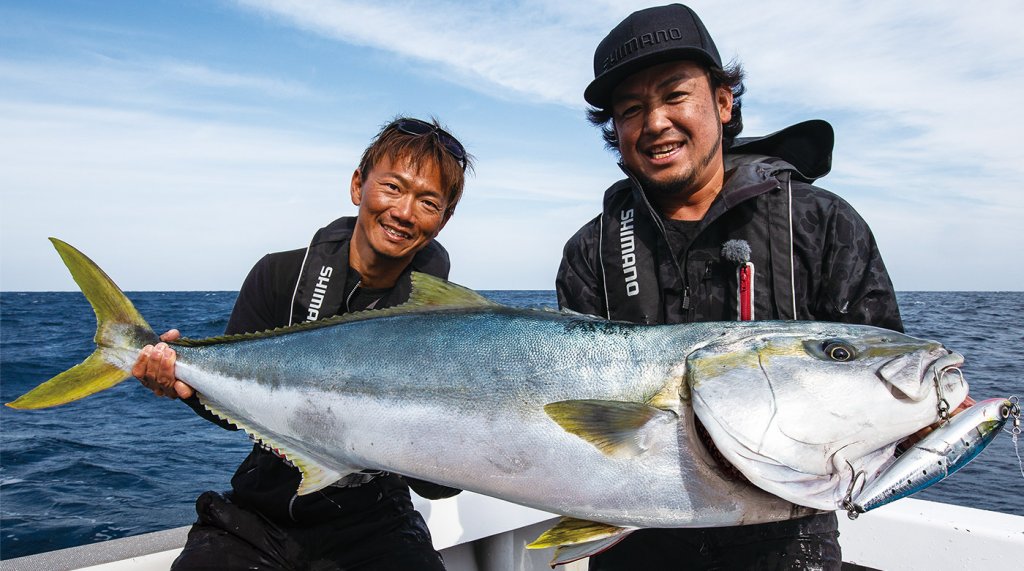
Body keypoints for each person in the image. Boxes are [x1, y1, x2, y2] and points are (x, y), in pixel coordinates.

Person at [557, 4, 903, 570]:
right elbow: (585, 419)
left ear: (723, 101)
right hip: (639, 527)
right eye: (631, 109)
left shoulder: (822, 223)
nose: (655, 122)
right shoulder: (589, 253)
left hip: (785, 527)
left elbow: (875, 376)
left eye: (675, 95)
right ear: (615, 131)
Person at [132, 116, 473, 570]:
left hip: (375, 519)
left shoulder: (447, 324)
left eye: (427, 201)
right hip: (261, 511)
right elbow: (235, 418)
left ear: (444, 219)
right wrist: (178, 380)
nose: (404, 212)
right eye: (392, 187)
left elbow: (438, 488)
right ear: (358, 185)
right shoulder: (278, 276)